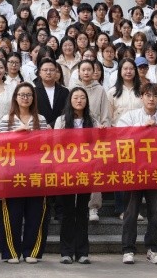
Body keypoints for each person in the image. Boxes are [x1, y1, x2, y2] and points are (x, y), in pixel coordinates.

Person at [0, 83, 50, 264]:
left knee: (35, 213)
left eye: (28, 95)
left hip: (36, 173)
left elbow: (46, 144)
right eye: (21, 95)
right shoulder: (7, 119)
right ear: (15, 98)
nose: (25, 98)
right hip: (12, 174)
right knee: (12, 215)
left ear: (33, 98)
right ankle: (11, 252)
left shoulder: (41, 119)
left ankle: (32, 251)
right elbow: (0, 145)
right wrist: (15, 135)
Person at [117, 82, 157, 265]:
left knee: (155, 212)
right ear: (141, 97)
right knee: (131, 212)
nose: (151, 99)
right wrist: (141, 127)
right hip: (134, 170)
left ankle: (153, 248)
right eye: (148, 95)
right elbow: (120, 136)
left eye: (155, 96)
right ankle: (128, 249)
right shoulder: (130, 116)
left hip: (155, 172)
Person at [53, 87, 93, 264]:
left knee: (83, 211)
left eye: (82, 97)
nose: (79, 100)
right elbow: (55, 145)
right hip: (67, 171)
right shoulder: (61, 120)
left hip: (86, 171)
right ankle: (66, 252)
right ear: (70, 100)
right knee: (68, 211)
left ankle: (82, 252)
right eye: (75, 97)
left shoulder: (92, 121)